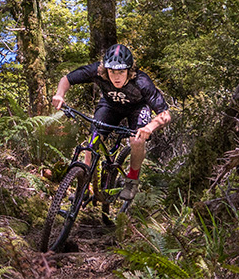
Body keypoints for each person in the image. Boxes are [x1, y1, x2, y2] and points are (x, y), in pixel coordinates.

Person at [51, 43, 171, 202]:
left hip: (136, 108)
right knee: (93, 138)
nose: (116, 76)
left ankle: (132, 181)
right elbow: (66, 79)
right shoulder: (98, 71)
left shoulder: (142, 82)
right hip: (110, 106)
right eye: (112, 71)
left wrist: (150, 126)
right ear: (105, 69)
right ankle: (84, 186)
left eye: (121, 72)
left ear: (130, 70)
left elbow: (165, 114)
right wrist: (59, 95)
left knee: (136, 140)